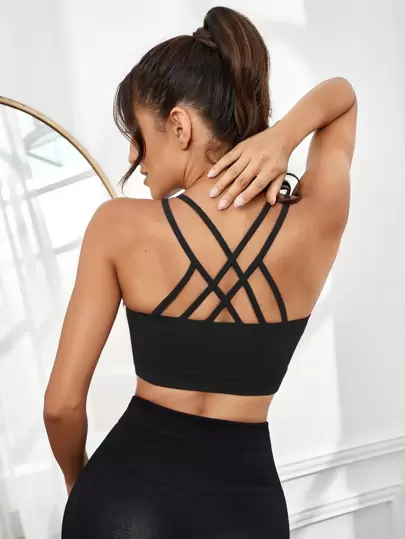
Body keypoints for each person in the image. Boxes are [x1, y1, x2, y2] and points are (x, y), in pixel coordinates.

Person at [43, 6, 357, 538]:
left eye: (138, 133)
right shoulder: (315, 222)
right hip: (246, 512)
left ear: (179, 126)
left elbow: (61, 406)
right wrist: (283, 138)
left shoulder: (118, 225)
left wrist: (81, 483)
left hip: (125, 501)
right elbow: (342, 97)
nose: (135, 155)